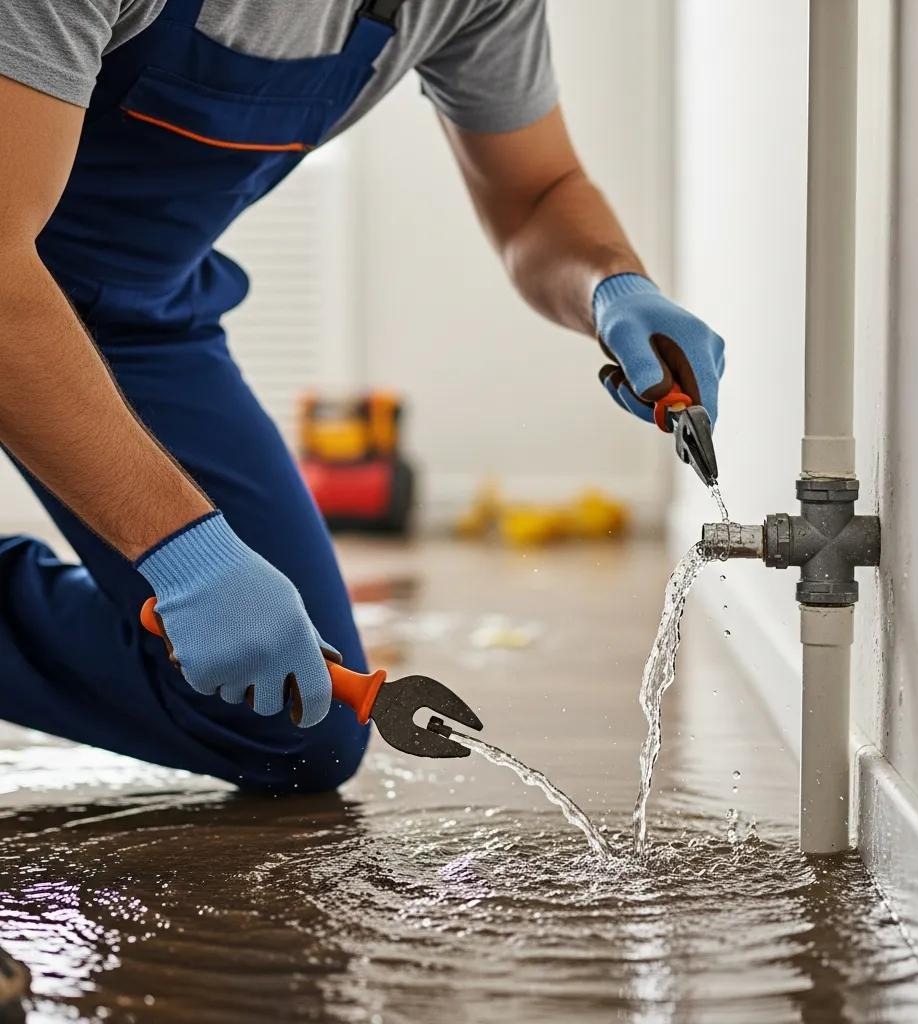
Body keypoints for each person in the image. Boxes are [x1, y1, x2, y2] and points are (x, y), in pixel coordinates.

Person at [0, 0, 725, 795]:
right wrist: (187, 555)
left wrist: (613, 288)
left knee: (295, 724)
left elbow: (538, 190)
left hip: (135, 317)